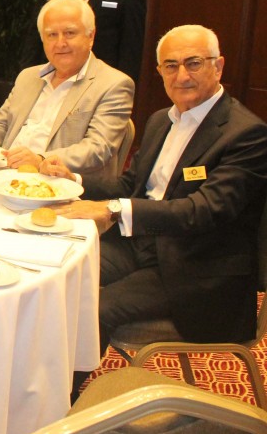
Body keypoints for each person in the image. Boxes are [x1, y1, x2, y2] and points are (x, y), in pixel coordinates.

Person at [41, 25, 267, 382]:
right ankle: (39, 384)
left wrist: (114, 210)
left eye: (194, 63)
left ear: (218, 66)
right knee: (59, 271)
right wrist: (75, 180)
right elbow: (131, 185)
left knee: (92, 309)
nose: (182, 75)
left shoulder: (245, 134)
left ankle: (61, 407)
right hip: (143, 244)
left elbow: (202, 210)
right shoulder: (162, 119)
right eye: (171, 66)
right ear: (160, 71)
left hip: (197, 268)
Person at [0, 0, 134, 178]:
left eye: (70, 33)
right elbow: (0, 125)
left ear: (90, 36)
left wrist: (40, 159)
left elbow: (98, 149)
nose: (60, 43)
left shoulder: (113, 84)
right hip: (5, 177)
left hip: (58, 183)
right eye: (52, 35)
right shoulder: (28, 77)